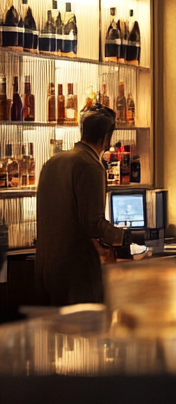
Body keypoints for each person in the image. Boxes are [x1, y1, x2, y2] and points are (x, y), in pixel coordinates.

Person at [35, 106, 143, 306]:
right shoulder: (90, 165)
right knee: (84, 332)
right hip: (77, 271)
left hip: (45, 266)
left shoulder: (52, 162)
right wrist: (126, 237)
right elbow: (93, 224)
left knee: (51, 334)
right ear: (107, 136)